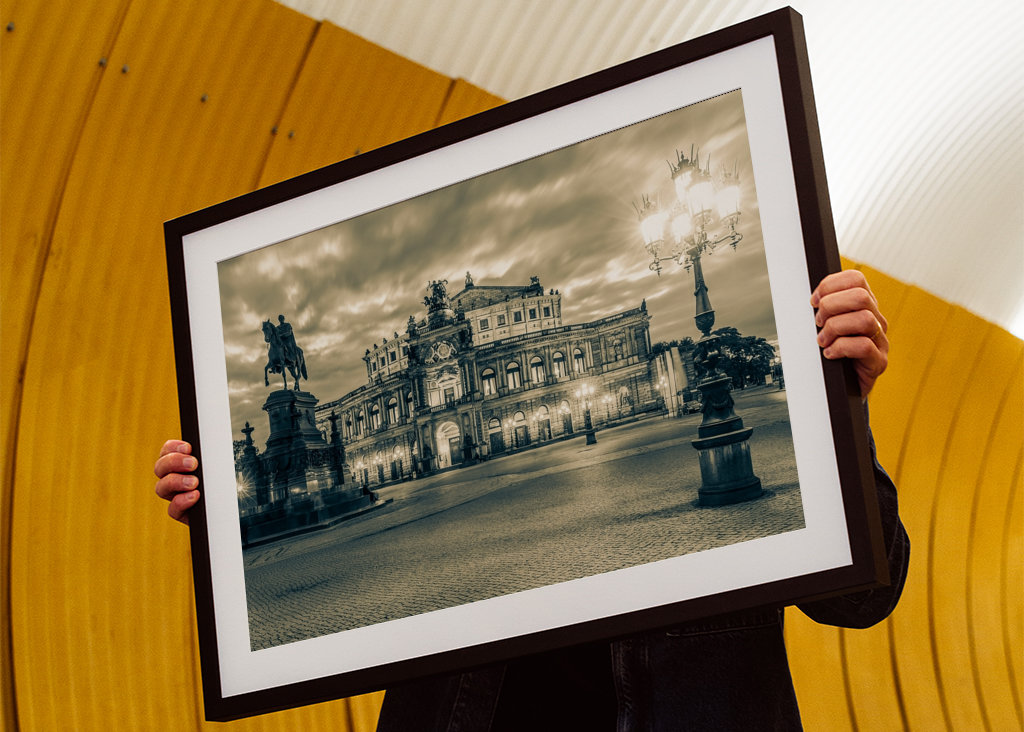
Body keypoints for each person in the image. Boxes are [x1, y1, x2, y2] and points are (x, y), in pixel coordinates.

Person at [154, 270, 908, 730]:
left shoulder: (807, 414)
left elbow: (865, 597)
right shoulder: (409, 395)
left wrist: (840, 406)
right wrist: (235, 512)